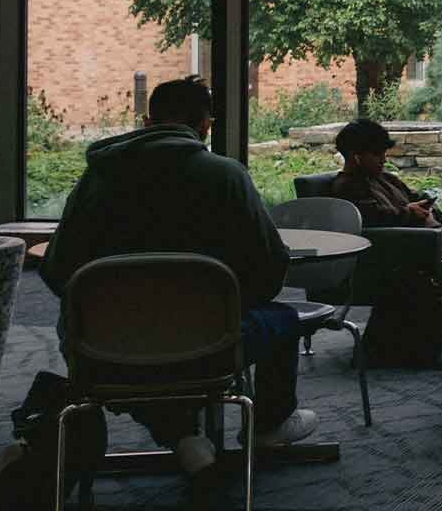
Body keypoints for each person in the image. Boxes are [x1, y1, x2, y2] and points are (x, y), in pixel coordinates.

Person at [40, 77, 313, 504]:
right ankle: (267, 427)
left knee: (140, 357)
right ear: (205, 125)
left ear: (147, 121)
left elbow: (57, 270)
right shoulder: (226, 177)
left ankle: (183, 437)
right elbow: (269, 270)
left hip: (102, 350)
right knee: (284, 319)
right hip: (210, 349)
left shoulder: (96, 179)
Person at [331, 118, 442, 230]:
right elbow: (374, 217)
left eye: (384, 154)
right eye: (377, 154)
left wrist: (428, 209)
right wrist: (410, 212)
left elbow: (419, 197)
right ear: (355, 156)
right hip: (413, 240)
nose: (384, 160)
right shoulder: (347, 187)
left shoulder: (387, 178)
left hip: (432, 233)